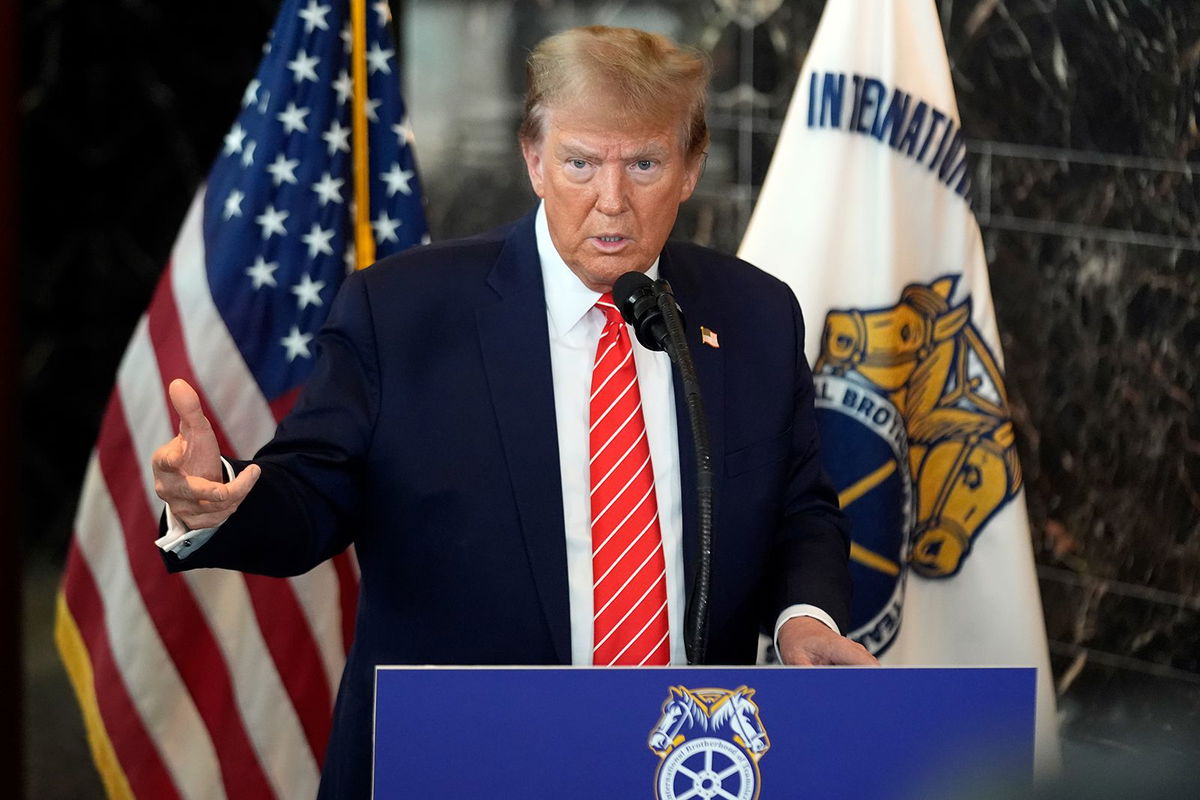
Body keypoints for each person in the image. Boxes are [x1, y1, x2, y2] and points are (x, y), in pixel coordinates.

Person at [152, 25, 875, 799]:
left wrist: (805, 617)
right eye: (580, 163)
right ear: (534, 160)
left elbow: (798, 508)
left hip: (683, 762)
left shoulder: (755, 315)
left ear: (691, 167)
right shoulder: (404, 313)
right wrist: (223, 499)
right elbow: (313, 490)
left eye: (644, 163)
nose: (612, 200)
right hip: (467, 762)